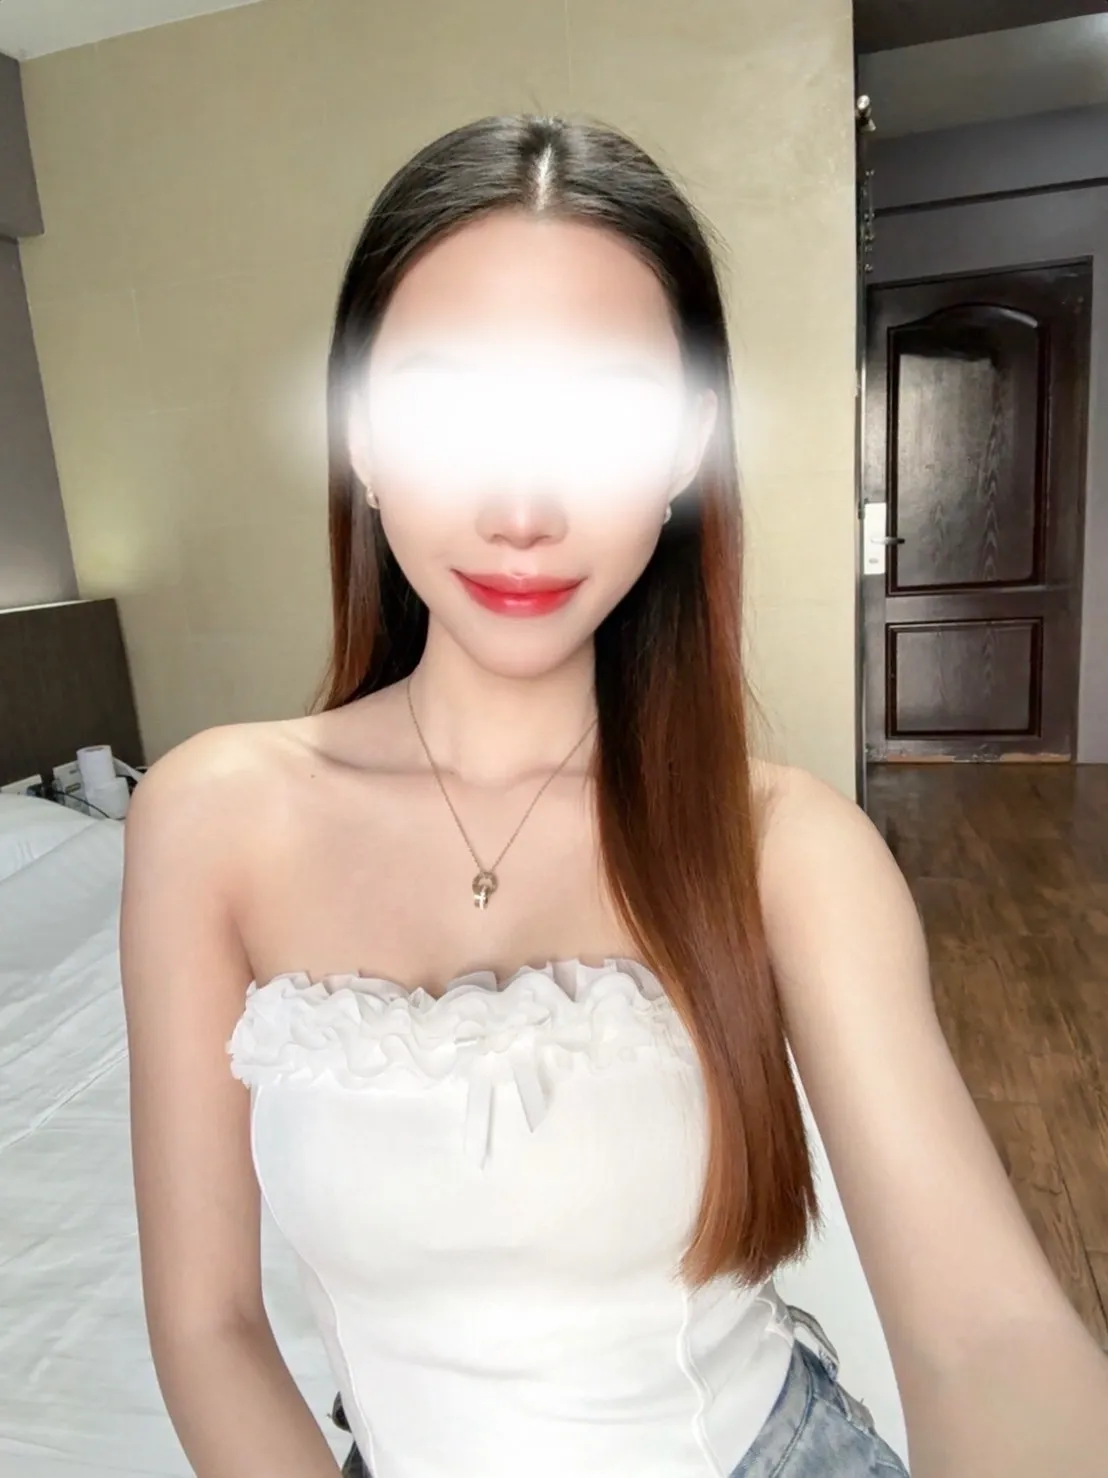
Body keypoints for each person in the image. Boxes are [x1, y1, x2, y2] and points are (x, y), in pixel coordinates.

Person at [119, 113, 1108, 1478]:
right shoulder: (208, 818)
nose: (523, 508)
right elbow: (208, 1325)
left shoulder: (787, 846)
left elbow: (987, 1334)